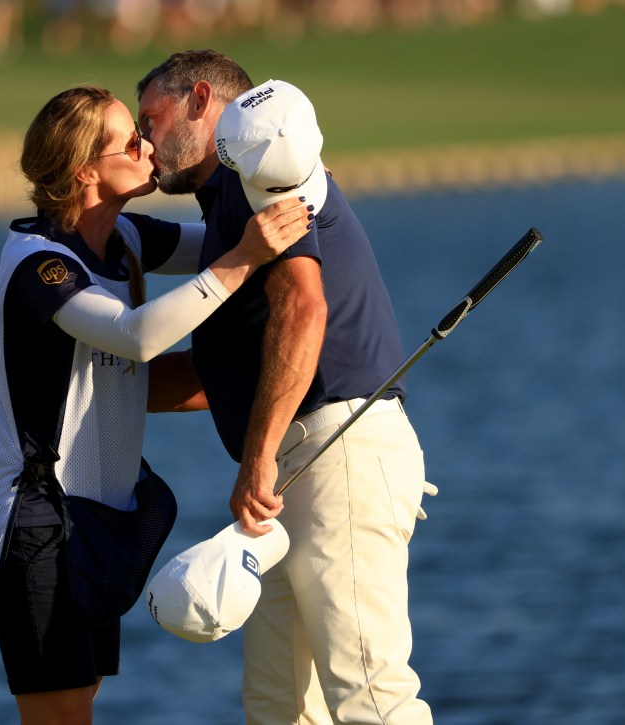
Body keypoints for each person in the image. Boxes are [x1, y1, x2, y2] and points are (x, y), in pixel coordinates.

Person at [0, 85, 312, 725]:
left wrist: (291, 190)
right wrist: (244, 259)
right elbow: (139, 334)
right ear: (84, 171)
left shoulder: (123, 235)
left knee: (83, 702)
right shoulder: (38, 265)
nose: (148, 147)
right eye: (130, 141)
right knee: (60, 715)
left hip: (96, 513)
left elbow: (215, 240)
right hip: (35, 523)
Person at [136, 51, 435, 724]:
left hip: (334, 453)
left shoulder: (260, 164)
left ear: (201, 101)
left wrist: (257, 456)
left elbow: (304, 309)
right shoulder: (226, 204)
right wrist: (82, 388)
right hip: (295, 465)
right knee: (279, 706)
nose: (142, 139)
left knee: (367, 691)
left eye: (149, 117)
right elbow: (224, 373)